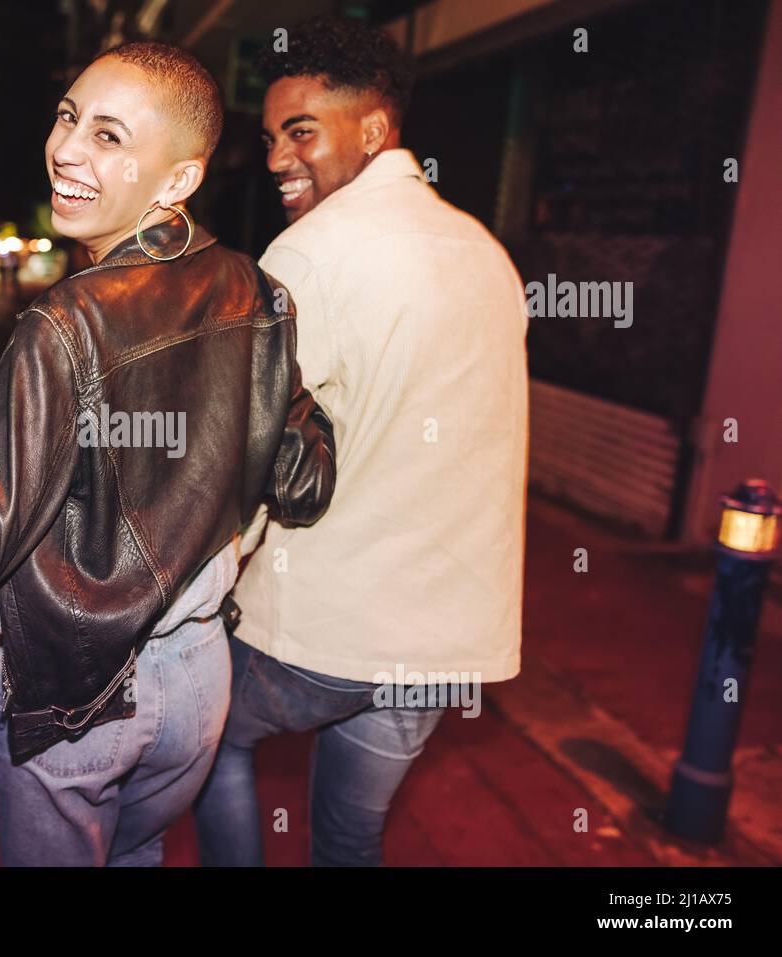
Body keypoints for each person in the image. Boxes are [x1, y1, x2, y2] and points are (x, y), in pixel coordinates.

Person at [0, 41, 337, 866]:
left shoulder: (66, 324)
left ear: (178, 179)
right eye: (67, 116)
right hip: (199, 677)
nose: (66, 148)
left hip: (80, 688)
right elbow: (305, 482)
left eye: (109, 136)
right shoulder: (258, 292)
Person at [194, 17, 529, 866]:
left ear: (374, 130)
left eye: (301, 131)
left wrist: (208, 571)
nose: (276, 158)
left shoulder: (309, 256)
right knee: (351, 836)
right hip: (444, 636)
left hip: (328, 625)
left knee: (209, 748)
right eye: (271, 137)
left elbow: (252, 454)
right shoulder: (486, 253)